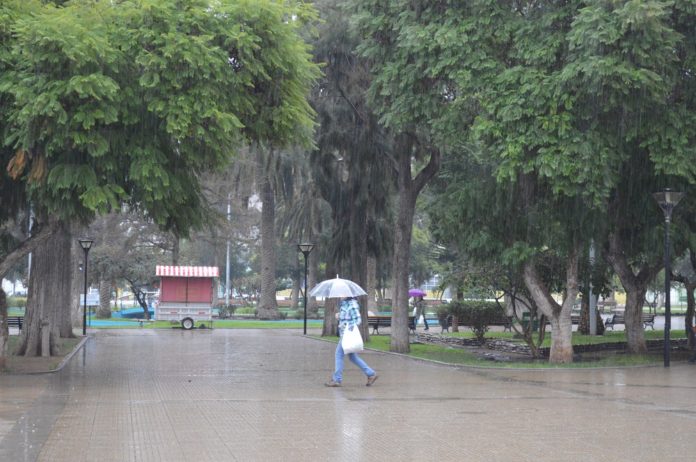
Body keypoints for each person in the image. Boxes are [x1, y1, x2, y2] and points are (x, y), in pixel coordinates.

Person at [325, 297, 378, 387]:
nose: (340, 295)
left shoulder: (352, 305)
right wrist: (339, 316)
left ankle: (337, 379)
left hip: (347, 334)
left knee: (338, 355)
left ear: (347, 294)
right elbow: (347, 318)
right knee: (352, 357)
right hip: (344, 334)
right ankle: (370, 374)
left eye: (342, 293)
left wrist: (346, 325)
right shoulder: (345, 304)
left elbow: (357, 320)